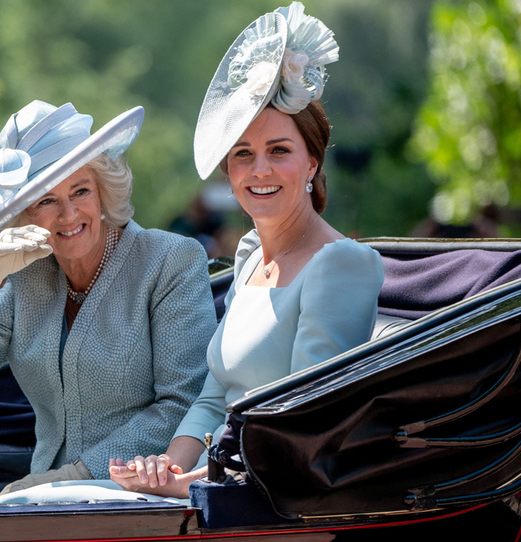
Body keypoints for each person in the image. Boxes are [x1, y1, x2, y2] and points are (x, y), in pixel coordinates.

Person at [109, 2, 385, 498]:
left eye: (279, 150)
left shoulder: (342, 263)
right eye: (243, 154)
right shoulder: (252, 254)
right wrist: (167, 471)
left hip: (279, 502)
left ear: (311, 165)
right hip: (218, 488)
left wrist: (197, 484)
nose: (259, 170)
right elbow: (215, 396)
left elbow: (306, 422)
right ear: (229, 173)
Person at [0, 100, 216, 490]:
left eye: (80, 190)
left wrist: (77, 476)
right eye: (46, 201)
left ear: (104, 192)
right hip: (47, 494)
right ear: (25, 214)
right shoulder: (28, 275)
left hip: (141, 491)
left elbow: (182, 402)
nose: (68, 215)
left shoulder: (169, 259)